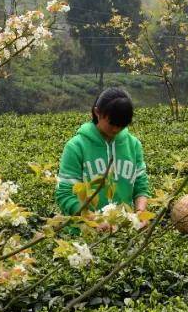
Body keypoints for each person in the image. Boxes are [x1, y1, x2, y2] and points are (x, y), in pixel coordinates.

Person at [56, 88, 150, 221]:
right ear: (97, 112)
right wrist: (93, 220)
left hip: (123, 229)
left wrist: (140, 212)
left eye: (121, 125)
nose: (116, 129)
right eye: (111, 123)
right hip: (84, 234)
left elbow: (141, 185)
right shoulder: (76, 147)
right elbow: (65, 194)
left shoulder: (133, 145)